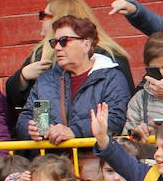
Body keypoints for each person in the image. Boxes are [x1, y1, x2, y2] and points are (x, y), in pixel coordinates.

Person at [4, 0, 134, 113]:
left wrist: (70, 131)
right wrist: (23, 77)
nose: (41, 20)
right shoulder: (42, 54)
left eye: (45, 15)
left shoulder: (108, 60)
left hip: (93, 136)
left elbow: (116, 113)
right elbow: (37, 108)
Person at [15, 15, 130, 144]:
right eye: (55, 42)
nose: (57, 47)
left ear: (86, 45)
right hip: (52, 161)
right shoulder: (46, 81)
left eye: (64, 41)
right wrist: (32, 129)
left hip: (94, 159)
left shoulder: (110, 77)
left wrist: (74, 132)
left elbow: (115, 120)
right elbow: (32, 118)